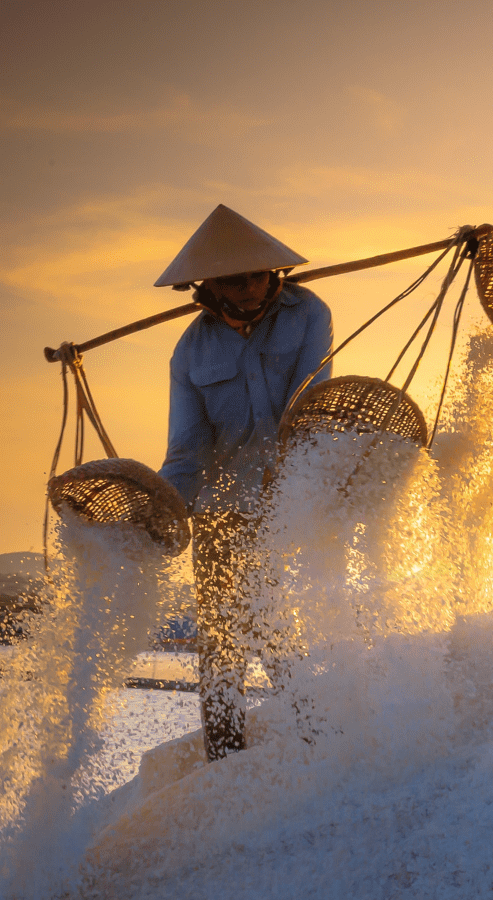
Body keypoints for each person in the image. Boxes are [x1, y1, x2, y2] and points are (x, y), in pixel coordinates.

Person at [154, 204, 332, 761]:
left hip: (294, 497)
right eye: (237, 278)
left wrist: (284, 496)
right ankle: (224, 761)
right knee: (221, 646)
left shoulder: (309, 314)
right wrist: (158, 508)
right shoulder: (190, 351)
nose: (254, 286)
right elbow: (186, 452)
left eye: (260, 274)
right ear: (208, 284)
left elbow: (308, 408)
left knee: (279, 630)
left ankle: (322, 744)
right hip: (222, 510)